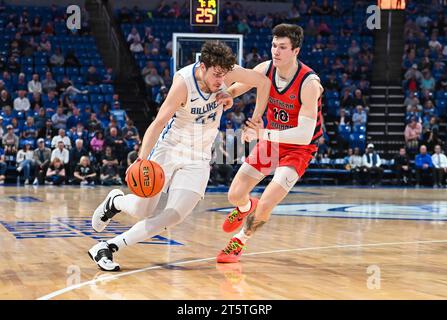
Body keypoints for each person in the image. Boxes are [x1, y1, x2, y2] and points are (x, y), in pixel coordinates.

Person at [88, 40, 271, 271]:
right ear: (202, 67)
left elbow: (263, 82)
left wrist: (252, 118)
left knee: (174, 215)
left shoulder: (225, 71)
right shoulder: (184, 83)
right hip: (170, 149)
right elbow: (158, 123)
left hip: (199, 156)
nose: (220, 81)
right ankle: (115, 201)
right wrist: (142, 159)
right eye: (216, 76)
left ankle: (108, 247)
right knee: (142, 210)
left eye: (224, 76)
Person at [214, 24, 324, 263]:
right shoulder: (266, 68)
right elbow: (238, 87)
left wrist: (263, 134)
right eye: (274, 45)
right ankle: (244, 207)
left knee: (266, 202)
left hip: (298, 148)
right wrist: (226, 96)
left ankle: (240, 241)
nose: (276, 51)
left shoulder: (309, 83)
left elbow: (304, 135)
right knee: (235, 195)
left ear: (295, 51)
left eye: (282, 47)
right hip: (270, 139)